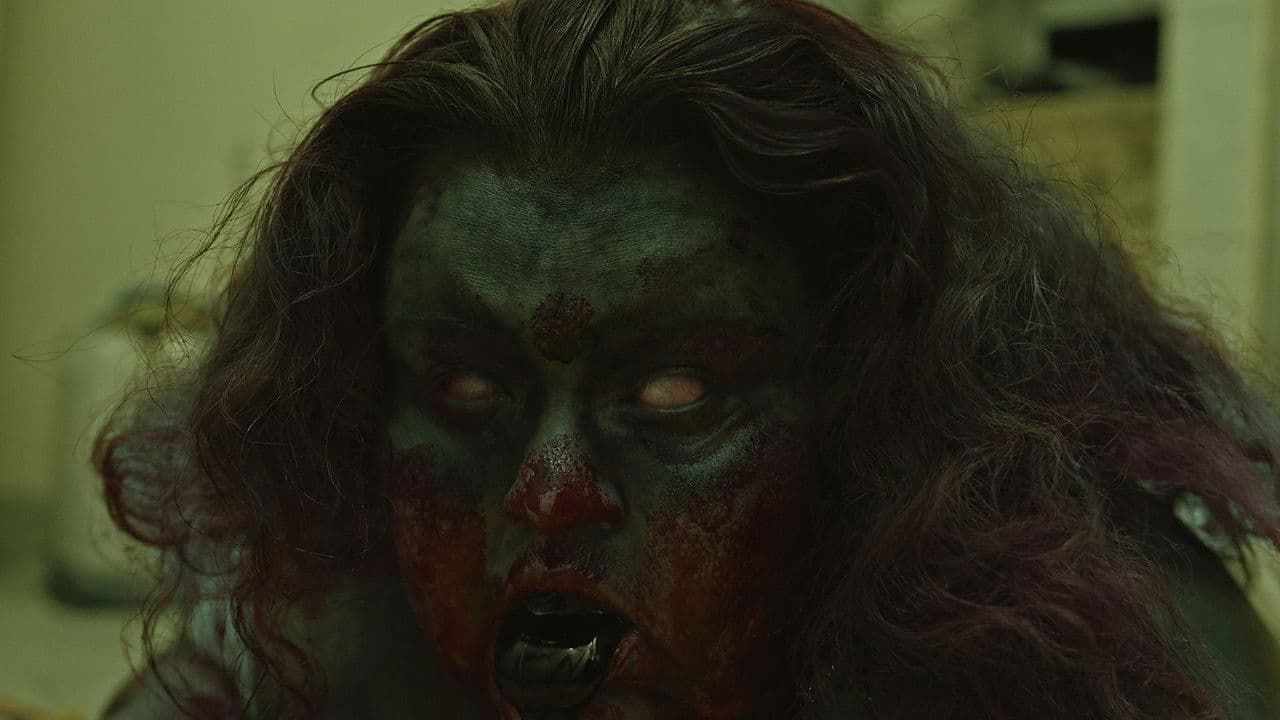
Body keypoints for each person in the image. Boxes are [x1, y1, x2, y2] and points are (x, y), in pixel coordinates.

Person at [95, 0, 1280, 717]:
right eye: (466, 387)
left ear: (879, 410)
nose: (549, 493)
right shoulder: (323, 639)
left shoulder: (1096, 664)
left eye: (674, 391)